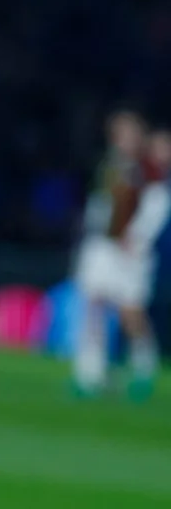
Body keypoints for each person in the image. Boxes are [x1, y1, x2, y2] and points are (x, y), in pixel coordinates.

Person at [70, 110, 164, 400]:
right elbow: (99, 203)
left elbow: (156, 205)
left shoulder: (148, 170)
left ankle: (144, 367)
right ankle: (90, 372)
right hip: (101, 246)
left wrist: (137, 237)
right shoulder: (109, 165)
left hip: (130, 250)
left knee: (130, 312)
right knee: (93, 306)